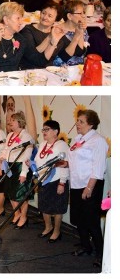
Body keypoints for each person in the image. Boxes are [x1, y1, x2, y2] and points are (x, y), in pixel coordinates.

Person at [68, 109, 107, 268]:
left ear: (91, 124)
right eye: (77, 120)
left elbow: (98, 167)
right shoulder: (78, 139)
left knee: (92, 222)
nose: (77, 124)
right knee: (79, 220)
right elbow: (76, 161)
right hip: (76, 184)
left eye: (81, 121)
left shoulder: (98, 141)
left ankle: (101, 254)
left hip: (90, 185)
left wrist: (89, 188)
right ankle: (86, 246)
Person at [0, 2, 42, 73]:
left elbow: (32, 58)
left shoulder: (21, 39)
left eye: (21, 18)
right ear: (6, 20)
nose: (21, 22)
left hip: (10, 80)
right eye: (18, 18)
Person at [33, 120, 70, 243]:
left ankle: (57, 231)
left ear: (55, 131)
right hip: (44, 180)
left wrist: (62, 182)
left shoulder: (61, 145)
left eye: (47, 129)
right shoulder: (43, 144)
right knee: (44, 206)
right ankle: (48, 227)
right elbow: (39, 160)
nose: (44, 132)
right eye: (43, 129)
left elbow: (66, 165)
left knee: (57, 207)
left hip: (57, 180)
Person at [1, 111, 34, 229]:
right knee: (10, 192)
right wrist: (2, 161)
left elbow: (27, 156)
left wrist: (24, 173)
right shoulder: (10, 135)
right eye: (10, 120)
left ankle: (24, 216)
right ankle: (17, 213)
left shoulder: (26, 136)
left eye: (13, 120)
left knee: (21, 194)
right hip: (10, 166)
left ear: (20, 122)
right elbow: (6, 150)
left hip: (21, 167)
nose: (10, 122)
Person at [18, 2, 67, 69]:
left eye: (50, 16)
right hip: (27, 70)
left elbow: (51, 59)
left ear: (55, 20)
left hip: (48, 71)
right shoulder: (27, 30)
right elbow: (32, 56)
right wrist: (50, 37)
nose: (45, 17)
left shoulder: (57, 34)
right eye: (43, 13)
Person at [52, 0, 89, 66]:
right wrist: (76, 36)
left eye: (84, 12)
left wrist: (81, 32)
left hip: (78, 69)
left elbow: (80, 53)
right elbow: (62, 59)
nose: (83, 16)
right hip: (60, 70)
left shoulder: (82, 29)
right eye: (80, 13)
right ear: (69, 16)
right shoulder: (58, 30)